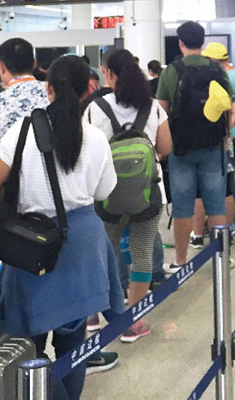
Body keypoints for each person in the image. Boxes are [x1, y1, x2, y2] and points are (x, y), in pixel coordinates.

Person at [0, 55, 123, 394]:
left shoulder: (22, 132)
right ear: (88, 89)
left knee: (27, 347)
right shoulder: (95, 137)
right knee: (74, 344)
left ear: (48, 88)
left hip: (32, 245)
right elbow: (104, 191)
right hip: (83, 243)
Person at [85, 48, 171, 343]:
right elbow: (166, 147)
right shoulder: (153, 107)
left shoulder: (95, 108)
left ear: (108, 73)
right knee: (142, 253)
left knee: (102, 253)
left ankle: (93, 316)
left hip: (106, 194)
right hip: (148, 194)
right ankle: (133, 321)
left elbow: (85, 151)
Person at [156, 21, 235, 273]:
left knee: (182, 207)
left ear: (180, 43)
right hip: (213, 147)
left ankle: (180, 261)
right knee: (216, 205)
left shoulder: (171, 71)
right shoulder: (217, 70)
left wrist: (163, 147)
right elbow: (229, 107)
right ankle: (222, 257)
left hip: (181, 149)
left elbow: (161, 112)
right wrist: (224, 135)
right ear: (202, 42)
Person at [191, 42, 235, 241]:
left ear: (212, 59)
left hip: (211, 139)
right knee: (232, 185)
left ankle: (201, 231)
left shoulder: (214, 79)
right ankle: (231, 227)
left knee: (203, 188)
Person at [0, 38, 48, 173]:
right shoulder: (54, 95)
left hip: (11, 183)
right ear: (34, 63)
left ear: (1, 67)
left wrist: (3, 180)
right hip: (59, 182)